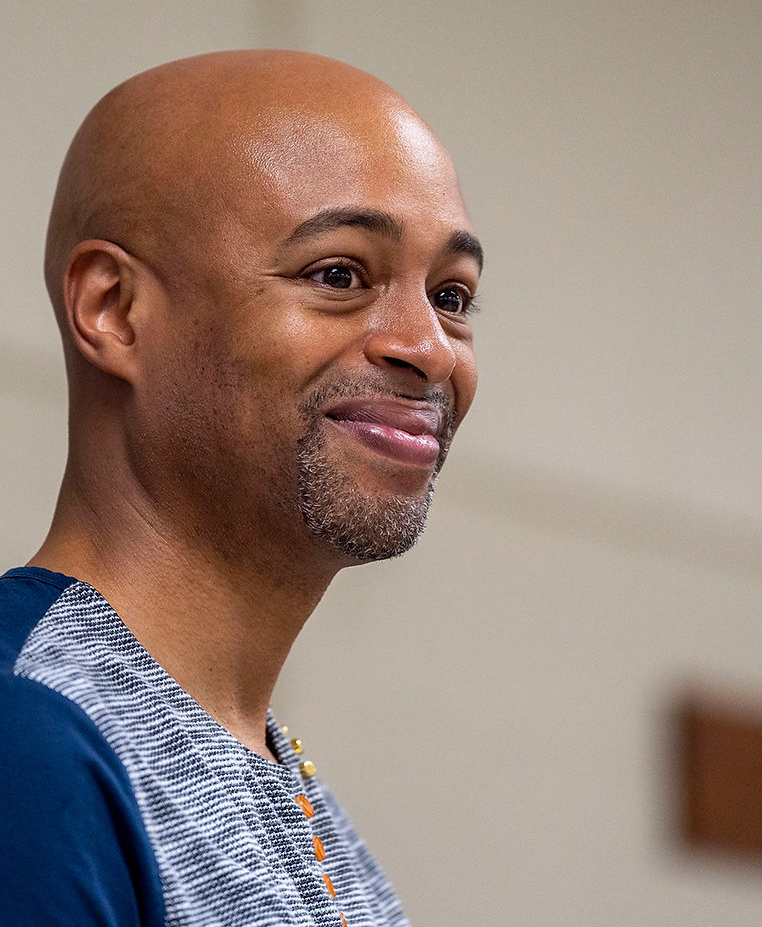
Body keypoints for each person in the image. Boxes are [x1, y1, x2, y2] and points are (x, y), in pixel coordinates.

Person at [0, 50, 481, 926]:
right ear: (113, 309)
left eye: (452, 295)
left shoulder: (315, 822)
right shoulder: (27, 736)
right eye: (340, 275)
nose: (432, 347)